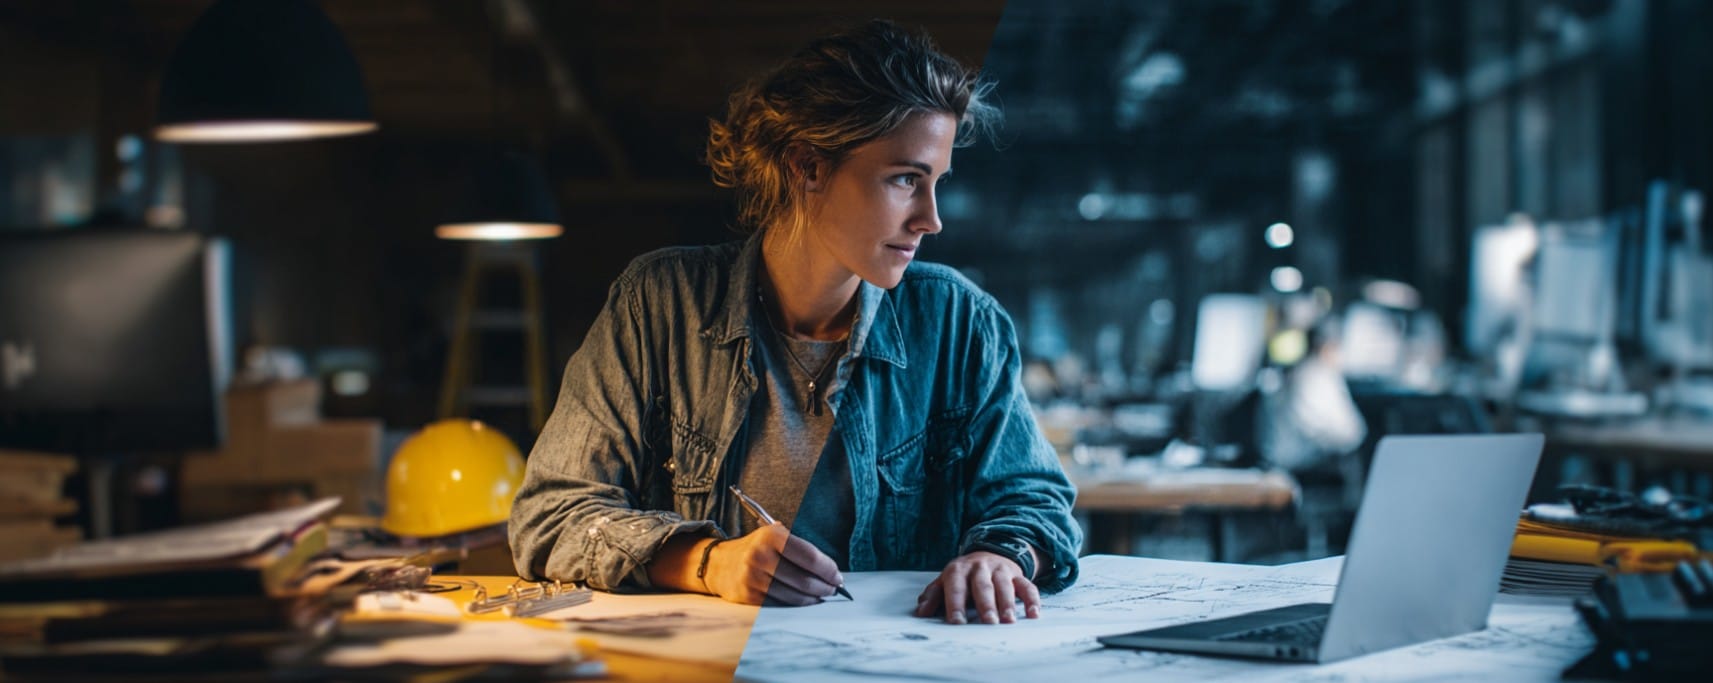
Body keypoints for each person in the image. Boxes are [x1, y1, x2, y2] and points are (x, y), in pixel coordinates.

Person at [509, 19, 1081, 626]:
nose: (931, 219)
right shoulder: (657, 304)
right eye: (906, 179)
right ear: (807, 166)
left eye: (936, 183)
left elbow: (1037, 502)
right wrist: (708, 561)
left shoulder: (960, 321)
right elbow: (551, 514)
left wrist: (1001, 554)